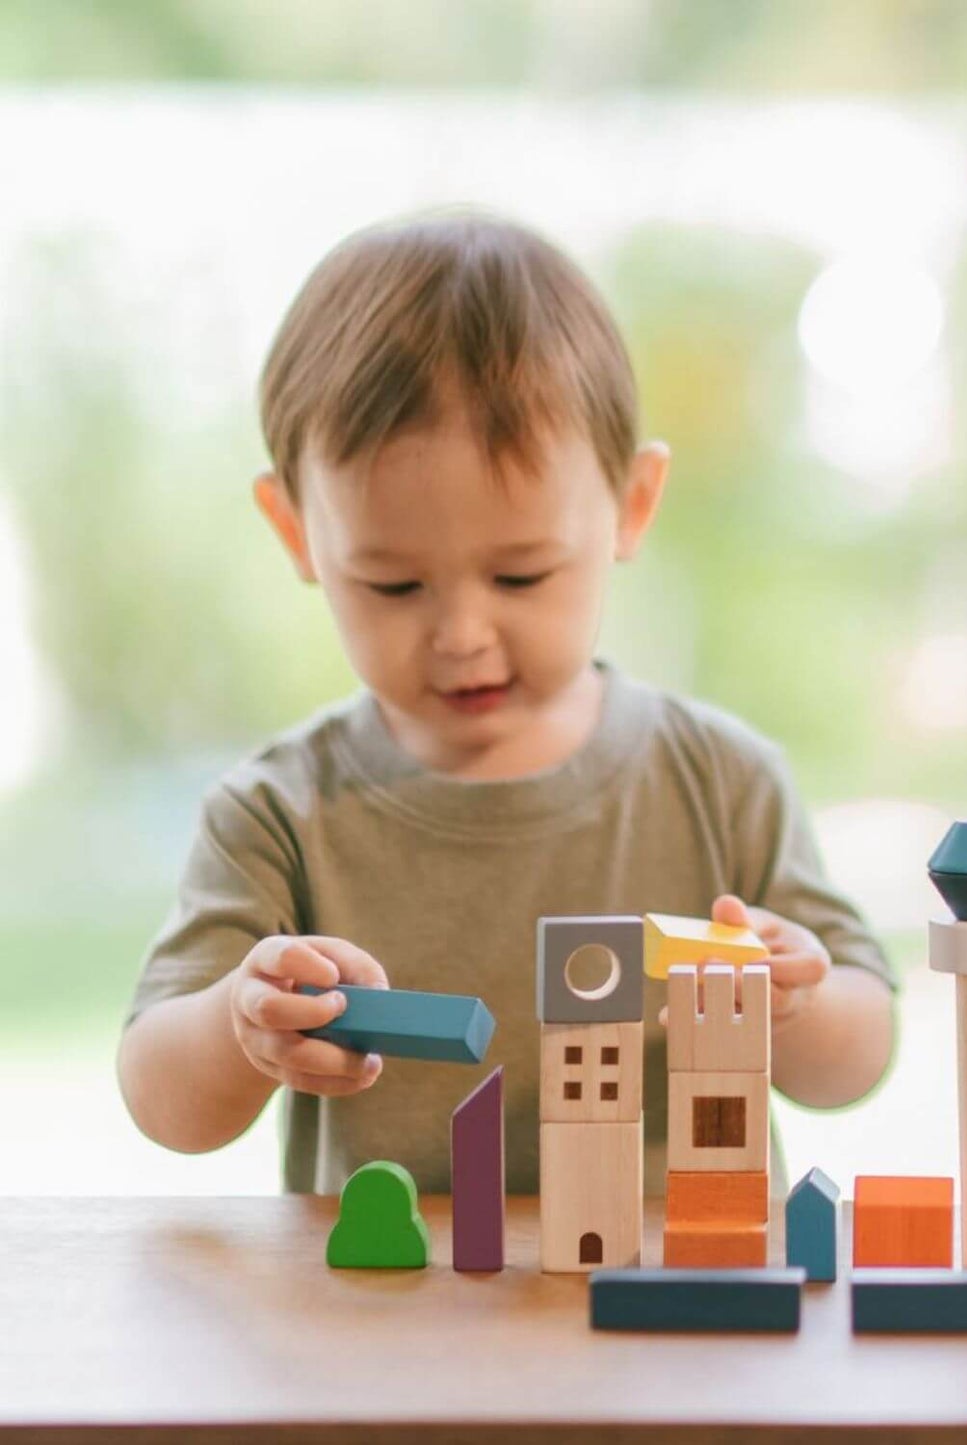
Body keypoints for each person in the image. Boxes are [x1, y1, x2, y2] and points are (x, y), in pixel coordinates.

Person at [116, 211, 896, 1194]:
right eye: (394, 585)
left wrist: (794, 1007)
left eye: (521, 575)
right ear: (295, 532)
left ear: (631, 505)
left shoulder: (719, 779)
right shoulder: (278, 811)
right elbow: (161, 1101)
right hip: (392, 1317)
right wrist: (241, 1024)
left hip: (673, 1306)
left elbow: (857, 1057)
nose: (460, 634)